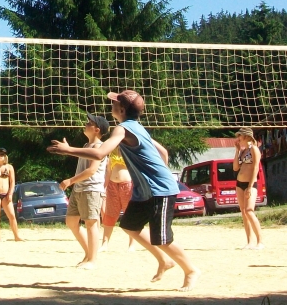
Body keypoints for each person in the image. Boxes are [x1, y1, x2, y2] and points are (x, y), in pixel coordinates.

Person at [48, 90, 200, 291]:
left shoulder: (122, 129)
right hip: (145, 189)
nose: (111, 105)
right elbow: (163, 152)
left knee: (162, 238)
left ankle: (191, 270)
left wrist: (69, 150)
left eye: (114, 103)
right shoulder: (137, 127)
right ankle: (165, 261)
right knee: (130, 226)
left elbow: (100, 153)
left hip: (160, 189)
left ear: (121, 110)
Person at [58, 114, 108, 269]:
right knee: (71, 222)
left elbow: (92, 170)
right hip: (80, 188)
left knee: (91, 224)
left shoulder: (99, 147)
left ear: (97, 129)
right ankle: (89, 254)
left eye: (89, 123)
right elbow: (79, 156)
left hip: (91, 189)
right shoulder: (87, 145)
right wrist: (67, 150)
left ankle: (92, 260)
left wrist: (70, 181)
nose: (86, 124)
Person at [99, 147, 136, 252]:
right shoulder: (112, 150)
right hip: (112, 185)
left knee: (130, 214)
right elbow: (109, 170)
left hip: (127, 185)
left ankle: (131, 244)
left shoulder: (130, 149)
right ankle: (104, 244)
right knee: (109, 215)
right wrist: (104, 187)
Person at [233, 127, 264, 250]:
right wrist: (237, 151)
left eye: (239, 136)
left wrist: (250, 187)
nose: (238, 138)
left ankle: (260, 242)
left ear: (246, 136)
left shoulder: (254, 149)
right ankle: (249, 242)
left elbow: (256, 168)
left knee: (249, 211)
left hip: (250, 184)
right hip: (239, 183)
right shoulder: (243, 150)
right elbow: (235, 168)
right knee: (244, 212)